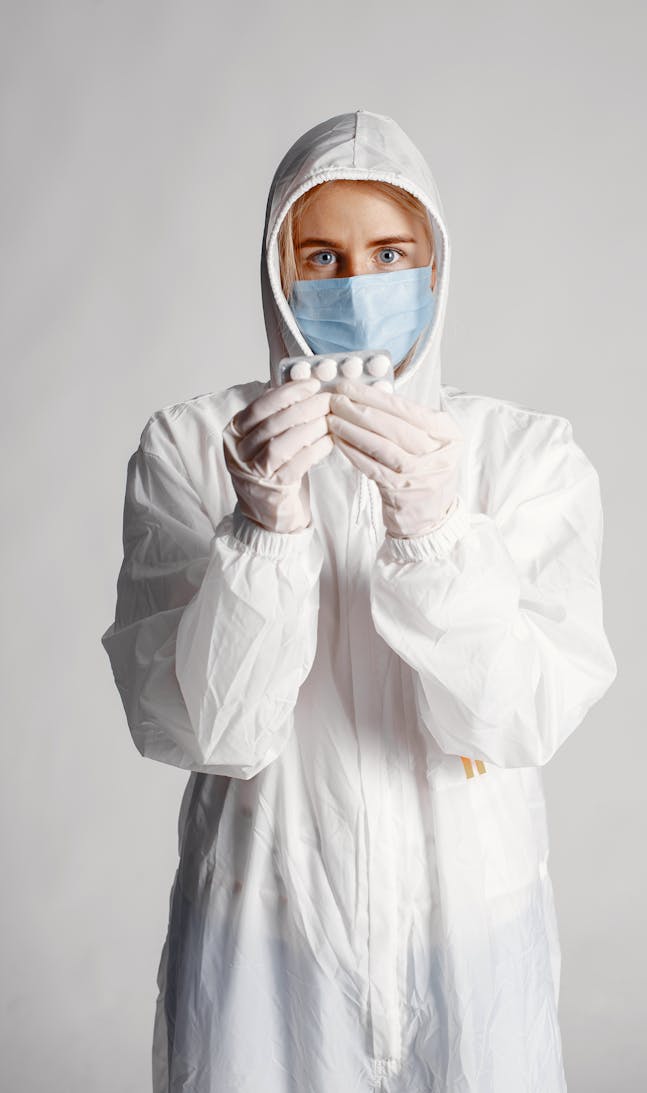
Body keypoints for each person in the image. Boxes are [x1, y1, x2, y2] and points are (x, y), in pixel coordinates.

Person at [100, 109, 617, 1093]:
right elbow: (211, 729)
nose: (356, 283)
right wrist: (261, 531)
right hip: (266, 930)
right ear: (275, 269)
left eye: (388, 252)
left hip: (469, 931)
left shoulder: (522, 458)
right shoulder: (197, 449)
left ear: (434, 265)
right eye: (322, 258)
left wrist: (436, 534)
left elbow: (514, 720)